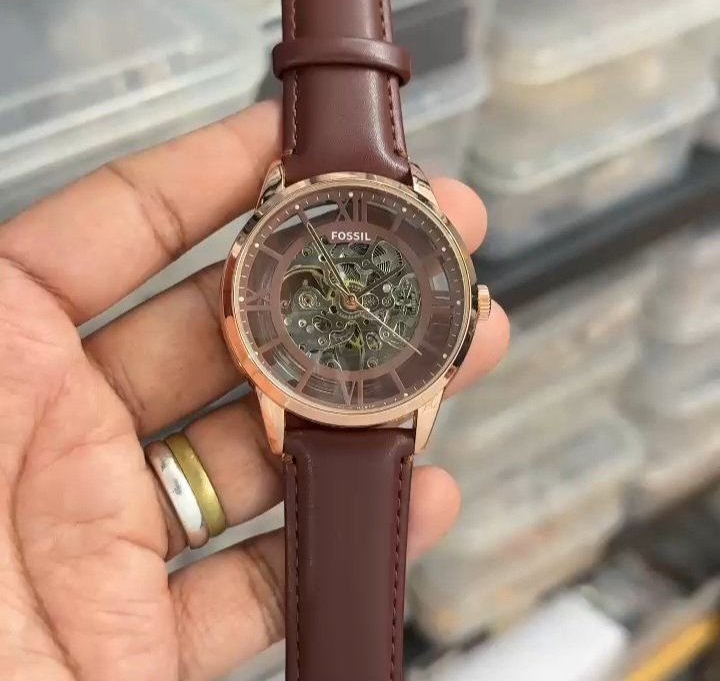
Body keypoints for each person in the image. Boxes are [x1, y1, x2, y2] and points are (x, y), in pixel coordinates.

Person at [0, 101, 509, 681]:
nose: (350, 301)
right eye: (340, 296)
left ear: (469, 306)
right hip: (303, 394)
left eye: (358, 297)